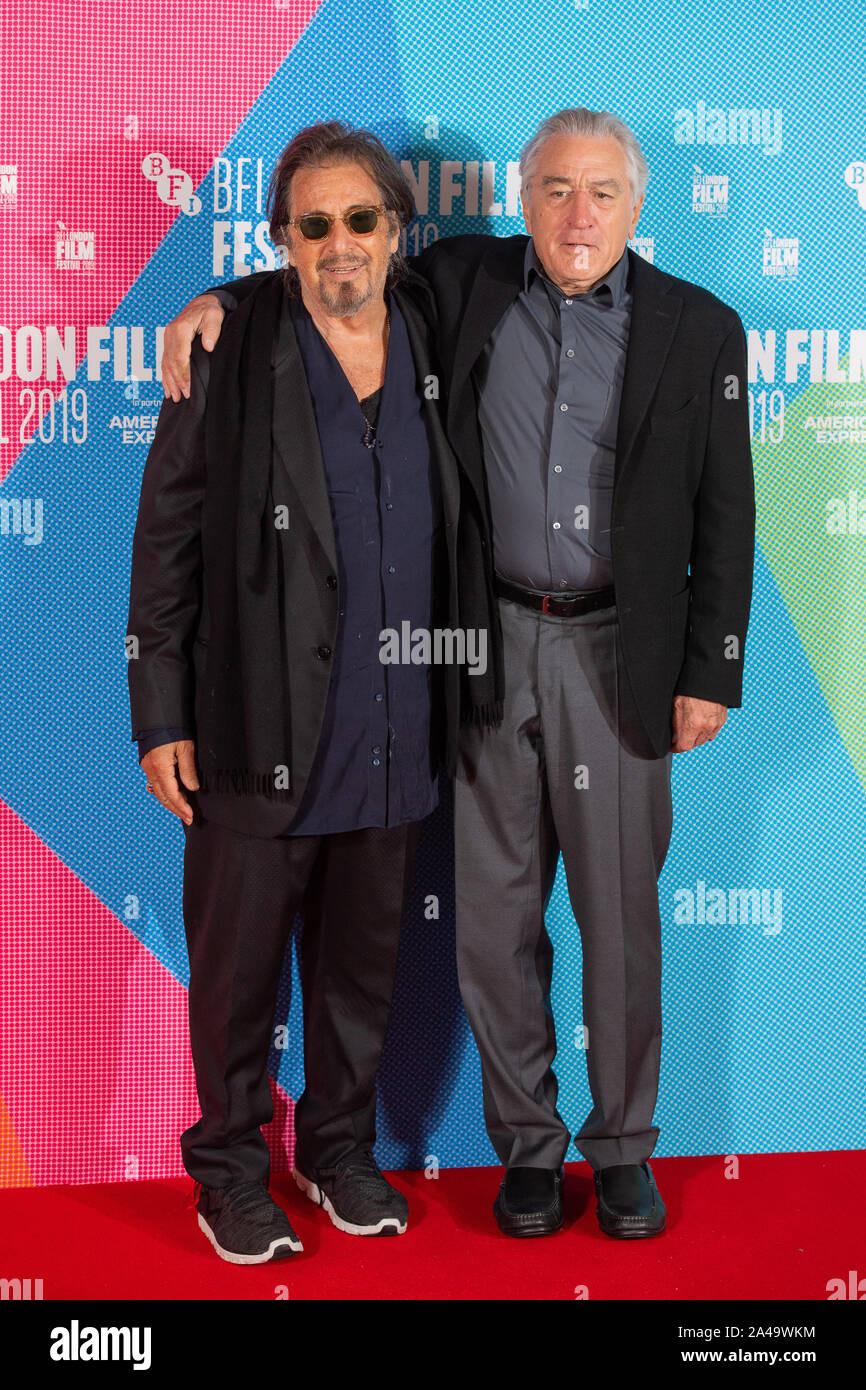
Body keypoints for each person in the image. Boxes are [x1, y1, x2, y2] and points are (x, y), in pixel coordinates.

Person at [160, 107, 755, 1242]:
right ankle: (527, 1152)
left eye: (601, 194)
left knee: (619, 921)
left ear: (638, 206)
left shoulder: (700, 329)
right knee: (490, 923)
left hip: (620, 651)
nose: (576, 216)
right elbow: (331, 271)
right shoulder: (464, 285)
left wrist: (708, 670)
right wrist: (217, 302)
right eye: (553, 191)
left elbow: (725, 513)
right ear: (521, 201)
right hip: (477, 646)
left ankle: (622, 1152)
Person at [127, 121, 501, 1264]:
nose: (339, 245)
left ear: (395, 229)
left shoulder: (431, 322)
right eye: (312, 224)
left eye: (360, 220)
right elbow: (168, 538)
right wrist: (161, 714)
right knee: (237, 979)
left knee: (357, 973)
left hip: (395, 733)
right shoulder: (228, 346)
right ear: (281, 238)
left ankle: (337, 1152)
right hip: (252, 731)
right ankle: (230, 1170)